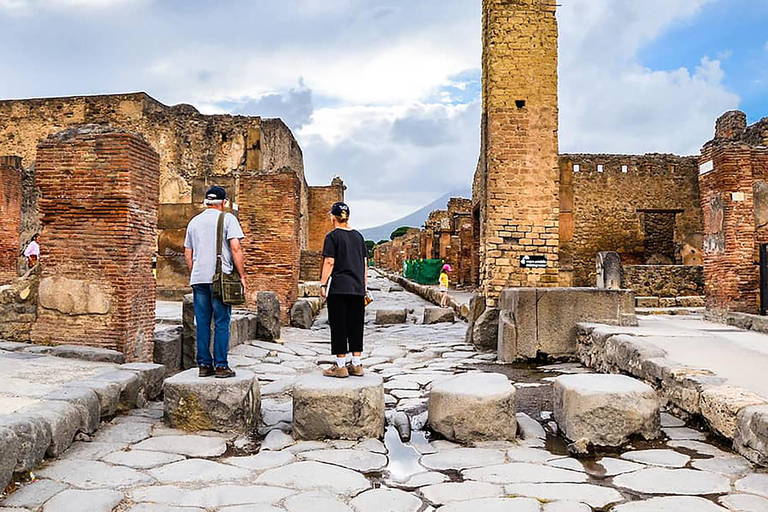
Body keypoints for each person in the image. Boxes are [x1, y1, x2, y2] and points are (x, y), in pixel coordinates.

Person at [184, 186, 245, 379]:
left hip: (198, 278)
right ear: (224, 202)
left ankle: (203, 365)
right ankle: (221, 365)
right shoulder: (228, 219)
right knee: (221, 322)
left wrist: (195, 273)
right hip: (220, 279)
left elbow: (188, 253)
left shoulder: (194, 222)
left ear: (206, 202)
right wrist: (242, 275)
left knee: (202, 323)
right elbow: (235, 248)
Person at [320, 202, 368, 378]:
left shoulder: (332, 236)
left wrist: (323, 284)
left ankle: (340, 366)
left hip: (339, 288)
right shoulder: (358, 237)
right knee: (356, 325)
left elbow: (329, 262)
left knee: (339, 325)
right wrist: (364, 286)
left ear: (333, 216)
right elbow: (364, 265)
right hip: (357, 288)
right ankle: (356, 364)